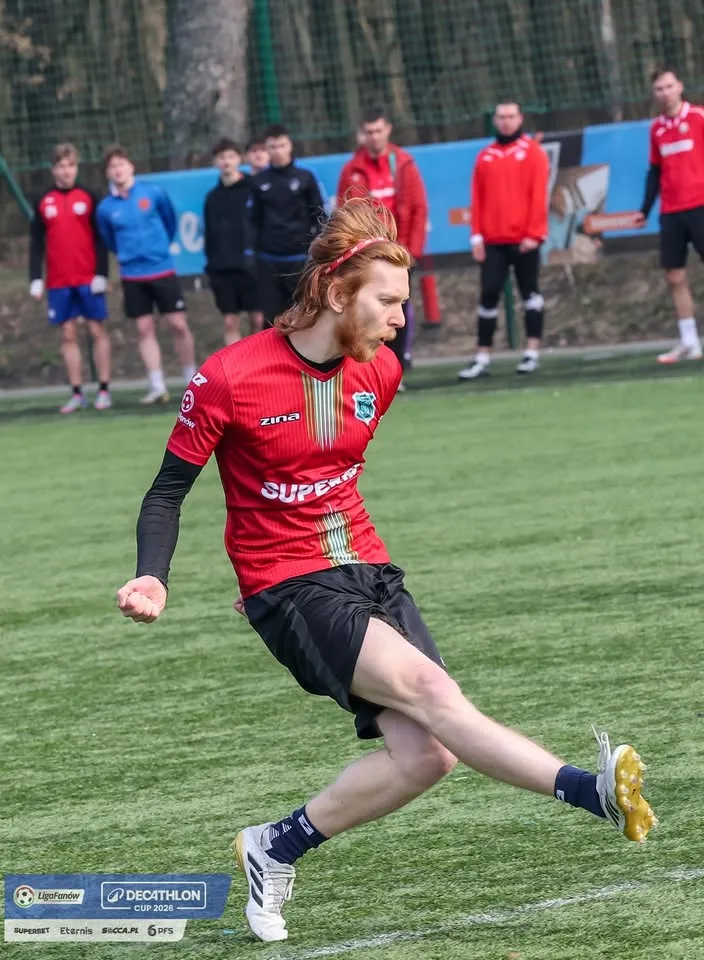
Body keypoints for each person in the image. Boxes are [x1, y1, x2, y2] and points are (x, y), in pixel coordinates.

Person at [114, 200, 657, 943]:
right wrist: (154, 576)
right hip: (287, 584)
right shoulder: (229, 377)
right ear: (338, 294)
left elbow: (330, 474)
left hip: (366, 567)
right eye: (389, 302)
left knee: (428, 755)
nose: (402, 320)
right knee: (434, 693)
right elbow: (166, 493)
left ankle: (274, 846)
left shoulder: (382, 372)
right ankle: (589, 792)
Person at [629, 68, 704, 363]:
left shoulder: (699, 116)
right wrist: (644, 210)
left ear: (680, 87)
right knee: (674, 276)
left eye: (669, 86)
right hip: (671, 212)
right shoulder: (656, 128)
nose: (665, 93)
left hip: (701, 206)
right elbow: (655, 172)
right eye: (659, 89)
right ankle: (689, 342)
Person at [96, 145, 196, 405]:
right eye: (112, 166)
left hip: (162, 269)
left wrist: (158, 249)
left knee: (178, 324)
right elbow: (109, 240)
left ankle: (192, 381)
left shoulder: (153, 193)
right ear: (107, 172)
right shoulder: (105, 208)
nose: (118, 170)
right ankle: (157, 385)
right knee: (144, 329)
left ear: (131, 166)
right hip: (132, 276)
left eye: (121, 164)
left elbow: (170, 222)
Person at [458, 99, 550, 379]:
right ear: (495, 120)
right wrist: (476, 237)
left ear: (520, 119)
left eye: (511, 116)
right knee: (488, 295)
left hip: (524, 239)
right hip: (493, 241)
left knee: (530, 293)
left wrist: (535, 234)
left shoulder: (533, 153)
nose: (506, 121)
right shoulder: (485, 156)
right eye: (501, 117)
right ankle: (482, 357)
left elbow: (539, 195)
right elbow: (477, 198)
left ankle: (531, 353)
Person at [338, 106, 428, 384]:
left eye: (378, 130)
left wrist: (411, 251)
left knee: (397, 311)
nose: (374, 136)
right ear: (361, 134)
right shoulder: (352, 170)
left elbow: (418, 208)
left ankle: (396, 369)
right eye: (369, 132)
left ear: (388, 130)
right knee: (365, 310)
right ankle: (366, 367)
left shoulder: (403, 164)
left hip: (398, 255)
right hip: (366, 258)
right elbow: (345, 214)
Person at [29, 142, 112, 413]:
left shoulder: (89, 196)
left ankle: (104, 389)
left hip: (88, 278)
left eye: (70, 165)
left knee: (96, 329)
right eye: (61, 166)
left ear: (77, 168)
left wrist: (102, 273)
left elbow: (100, 239)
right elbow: (36, 242)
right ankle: (77, 393)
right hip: (58, 281)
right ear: (53, 169)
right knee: (67, 334)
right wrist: (35, 278)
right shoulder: (43, 201)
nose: (66, 171)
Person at [251, 125, 327, 327]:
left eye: (282, 145)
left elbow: (319, 216)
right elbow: (252, 221)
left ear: (290, 146)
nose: (278, 151)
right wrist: (252, 253)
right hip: (269, 261)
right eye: (272, 146)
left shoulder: (305, 177)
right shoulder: (258, 182)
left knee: (305, 316)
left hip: (300, 259)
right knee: (271, 321)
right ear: (267, 149)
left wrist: (316, 250)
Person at [204, 139, 263, 344]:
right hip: (223, 270)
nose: (226, 161)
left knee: (258, 320)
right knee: (230, 322)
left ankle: (258, 360)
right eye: (221, 157)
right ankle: (235, 363)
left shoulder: (254, 189)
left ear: (240, 159)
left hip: (252, 267)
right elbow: (210, 235)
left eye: (230, 156)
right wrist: (212, 266)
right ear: (215, 162)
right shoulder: (212, 198)